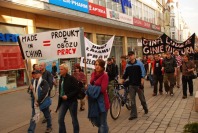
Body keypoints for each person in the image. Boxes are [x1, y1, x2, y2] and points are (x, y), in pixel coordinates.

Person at [122, 51, 148, 120]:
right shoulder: (128, 65)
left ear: (134, 55)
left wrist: (142, 82)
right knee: (132, 100)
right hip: (131, 85)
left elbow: (143, 73)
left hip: (138, 85)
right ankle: (133, 114)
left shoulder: (139, 64)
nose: (130, 56)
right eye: (129, 55)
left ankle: (145, 108)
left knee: (142, 99)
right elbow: (125, 74)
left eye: (131, 55)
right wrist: (123, 80)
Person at [87, 59, 110, 133]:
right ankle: (106, 130)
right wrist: (89, 89)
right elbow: (91, 84)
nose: (97, 66)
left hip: (102, 102)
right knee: (96, 121)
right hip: (94, 102)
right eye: (96, 64)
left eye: (99, 65)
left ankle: (104, 130)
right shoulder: (93, 74)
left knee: (102, 123)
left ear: (102, 66)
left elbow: (103, 89)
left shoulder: (105, 75)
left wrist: (90, 88)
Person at [56, 64, 80, 133]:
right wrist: (59, 104)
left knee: (74, 119)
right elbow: (61, 90)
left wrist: (68, 96)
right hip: (63, 102)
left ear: (66, 70)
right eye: (59, 69)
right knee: (60, 119)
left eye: (61, 69)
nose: (60, 71)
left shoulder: (71, 78)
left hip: (72, 102)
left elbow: (77, 89)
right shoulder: (61, 78)